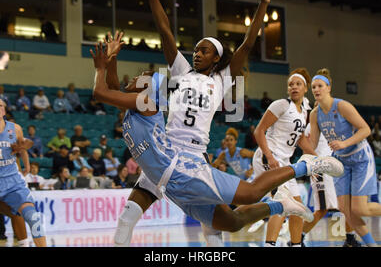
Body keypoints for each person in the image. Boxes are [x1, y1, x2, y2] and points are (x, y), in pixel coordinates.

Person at [90, 34, 343, 248]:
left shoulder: (144, 103)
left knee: (242, 203)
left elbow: (102, 92)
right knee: (223, 223)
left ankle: (308, 166)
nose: (135, 79)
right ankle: (280, 205)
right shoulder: (132, 107)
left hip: (182, 166)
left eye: (141, 79)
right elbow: (112, 89)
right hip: (163, 171)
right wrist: (111, 57)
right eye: (138, 78)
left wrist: (101, 66)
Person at [309, 68, 381, 247]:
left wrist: (344, 143)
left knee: (360, 209)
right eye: (313, 87)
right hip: (341, 162)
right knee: (346, 211)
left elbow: (365, 129)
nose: (316, 90)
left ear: (328, 87)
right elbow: (312, 143)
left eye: (320, 86)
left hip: (360, 159)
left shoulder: (342, 106)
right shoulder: (314, 114)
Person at [252, 68, 319, 247]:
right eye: (291, 85)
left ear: (305, 88)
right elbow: (259, 130)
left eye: (298, 84)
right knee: (282, 203)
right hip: (268, 157)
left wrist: (318, 159)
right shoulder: (281, 104)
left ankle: (296, 244)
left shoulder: (305, 110)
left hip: (285, 161)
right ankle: (270, 244)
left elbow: (300, 140)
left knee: (298, 207)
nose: (294, 87)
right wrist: (269, 156)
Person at [0, 99, 47, 247]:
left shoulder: (15, 128)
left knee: (33, 217)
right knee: (15, 214)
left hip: (12, 181)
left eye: (0, 105)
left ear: (4, 110)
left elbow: (25, 144)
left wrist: (26, 165)